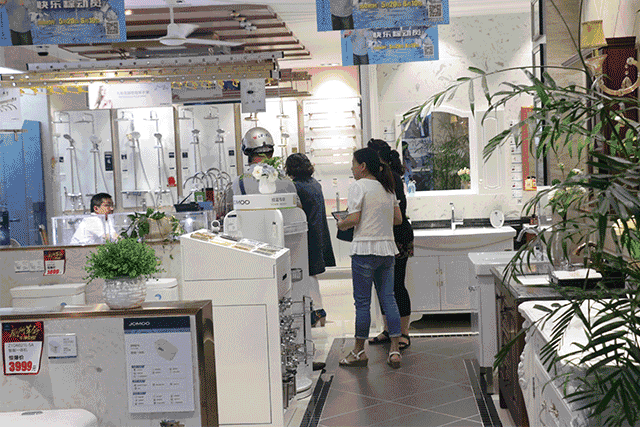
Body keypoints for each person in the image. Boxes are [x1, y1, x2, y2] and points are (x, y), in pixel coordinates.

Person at [337, 147, 403, 369]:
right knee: (389, 298)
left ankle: (359, 352)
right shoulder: (387, 187)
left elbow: (354, 218)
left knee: (363, 303)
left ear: (363, 166)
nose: (352, 169)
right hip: (387, 249)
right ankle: (395, 350)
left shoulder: (359, 186)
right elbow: (397, 219)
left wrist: (341, 223)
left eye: (353, 164)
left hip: (364, 249)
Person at [366, 139, 415, 350]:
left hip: (398, 237)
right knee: (382, 286)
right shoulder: (377, 179)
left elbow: (397, 214)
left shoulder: (391, 178)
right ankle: (389, 329)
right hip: (384, 236)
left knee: (396, 286)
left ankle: (403, 332)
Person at [285, 153, 336, 328]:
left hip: (307, 234)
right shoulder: (315, 183)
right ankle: (318, 311)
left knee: (306, 274)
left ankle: (317, 311)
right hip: (319, 232)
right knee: (311, 273)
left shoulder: (295, 186)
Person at [228, 127, 299, 199]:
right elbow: (297, 205)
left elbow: (230, 205)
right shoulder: (287, 181)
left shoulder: (238, 183)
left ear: (247, 153)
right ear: (272, 153)